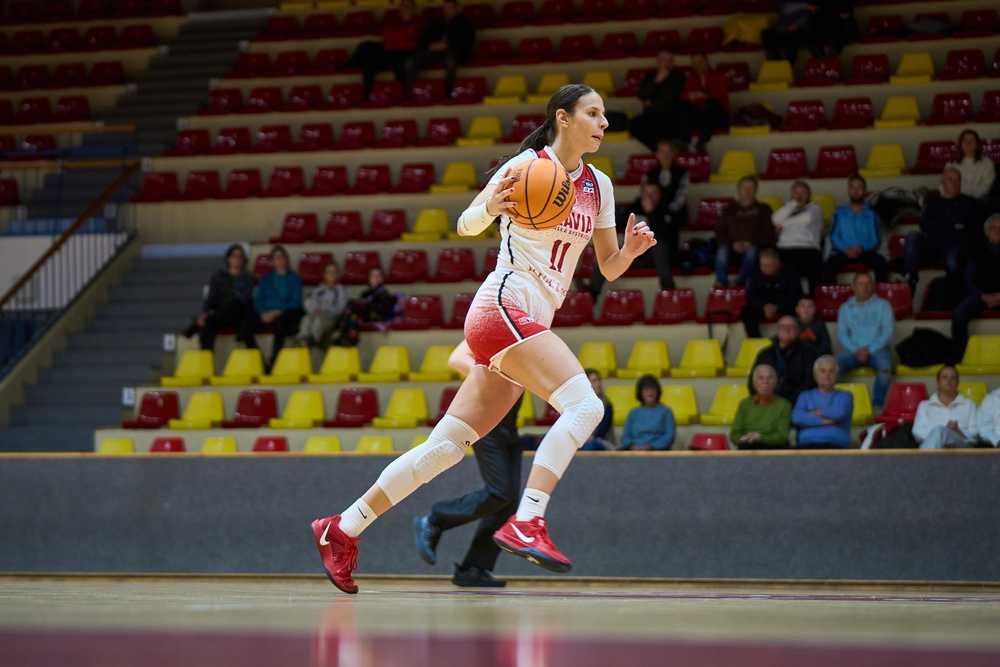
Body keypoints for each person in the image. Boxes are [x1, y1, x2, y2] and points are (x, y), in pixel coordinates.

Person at [310, 84, 657, 594]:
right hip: (503, 304)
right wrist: (491, 204)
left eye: (604, 115)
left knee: (445, 449)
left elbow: (606, 267)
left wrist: (628, 253)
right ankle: (528, 519)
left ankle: (341, 529)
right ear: (563, 118)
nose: (604, 122)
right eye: (593, 113)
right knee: (586, 406)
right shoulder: (525, 166)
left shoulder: (599, 185)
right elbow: (466, 224)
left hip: (529, 319)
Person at [412, 342, 522, 588]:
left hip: (508, 426)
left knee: (508, 503)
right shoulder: (498, 323)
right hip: (486, 422)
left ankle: (474, 568)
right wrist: (496, 378)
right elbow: (456, 358)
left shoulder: (533, 334)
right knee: (499, 493)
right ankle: (435, 520)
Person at [903, 166, 982, 294]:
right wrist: (954, 227)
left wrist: (948, 229)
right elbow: (925, 227)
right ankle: (910, 280)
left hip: (955, 249)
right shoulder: (932, 203)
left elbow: (972, 231)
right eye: (950, 179)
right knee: (913, 236)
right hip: (933, 248)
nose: (954, 183)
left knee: (955, 251)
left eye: (957, 180)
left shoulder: (970, 203)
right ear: (943, 183)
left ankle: (952, 292)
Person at [835, 271, 894, 409]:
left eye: (868, 283)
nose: (865, 287)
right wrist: (856, 350)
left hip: (878, 350)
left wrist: (869, 350)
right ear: (853, 286)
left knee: (885, 369)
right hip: (852, 351)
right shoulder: (845, 308)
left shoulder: (884, 305)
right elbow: (842, 334)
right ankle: (839, 404)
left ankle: (877, 407)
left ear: (873, 286)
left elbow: (887, 332)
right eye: (860, 283)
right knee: (833, 367)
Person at [186, 244, 257, 353]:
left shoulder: (249, 278)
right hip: (221, 315)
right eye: (234, 256)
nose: (237, 259)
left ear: (244, 260)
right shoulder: (219, 277)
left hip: (240, 314)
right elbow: (211, 298)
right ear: (228, 258)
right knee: (208, 324)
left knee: (234, 303)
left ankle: (195, 326)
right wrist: (204, 314)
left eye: (240, 256)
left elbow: (247, 299)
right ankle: (207, 359)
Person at [350, 0, 424, 99]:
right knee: (367, 56)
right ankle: (365, 96)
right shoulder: (392, 19)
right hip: (390, 51)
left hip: (406, 53)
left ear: (413, 8)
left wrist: (397, 36)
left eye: (408, 6)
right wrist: (400, 36)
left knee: (401, 65)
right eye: (403, 5)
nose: (405, 8)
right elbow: (386, 34)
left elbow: (412, 37)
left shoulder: (418, 20)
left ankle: (404, 95)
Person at [823, 174, 889, 283]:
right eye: (852, 187)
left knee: (881, 264)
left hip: (865, 251)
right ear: (848, 190)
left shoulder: (872, 213)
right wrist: (845, 249)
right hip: (844, 251)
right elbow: (834, 236)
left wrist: (861, 248)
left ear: (864, 190)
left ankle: (880, 294)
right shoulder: (839, 211)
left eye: (859, 187)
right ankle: (833, 294)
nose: (856, 190)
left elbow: (874, 239)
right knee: (829, 266)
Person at [715, 175, 776, 288]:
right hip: (731, 248)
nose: (747, 191)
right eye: (744, 187)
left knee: (752, 251)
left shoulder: (764, 209)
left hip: (754, 248)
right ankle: (721, 282)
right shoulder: (728, 209)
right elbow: (719, 232)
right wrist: (732, 244)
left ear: (755, 190)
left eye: (751, 188)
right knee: (721, 251)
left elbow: (769, 233)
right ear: (738, 190)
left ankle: (739, 282)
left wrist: (752, 242)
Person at [952, 214, 1000, 359]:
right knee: (959, 313)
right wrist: (982, 296)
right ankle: (959, 357)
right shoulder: (975, 251)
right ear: (987, 232)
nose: (997, 231)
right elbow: (968, 280)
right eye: (993, 228)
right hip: (981, 296)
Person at [643, 139, 689, 288]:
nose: (665, 155)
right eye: (662, 152)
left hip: (672, 224)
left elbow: (680, 198)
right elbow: (645, 198)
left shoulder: (681, 173)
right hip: (651, 232)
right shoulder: (650, 174)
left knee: (660, 242)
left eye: (668, 152)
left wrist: (664, 212)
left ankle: (667, 286)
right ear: (657, 154)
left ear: (674, 154)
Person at [404, 0, 475, 96]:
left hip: (454, 52)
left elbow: (466, 42)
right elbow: (424, 39)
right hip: (434, 52)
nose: (447, 11)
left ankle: (448, 93)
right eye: (445, 8)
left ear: (457, 9)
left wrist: (448, 45)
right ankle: (409, 93)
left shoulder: (465, 23)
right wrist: (430, 45)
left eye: (450, 8)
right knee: (410, 61)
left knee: (450, 61)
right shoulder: (437, 22)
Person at [254, 245, 303, 368]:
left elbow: (296, 302)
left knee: (282, 322)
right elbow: (259, 299)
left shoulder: (295, 278)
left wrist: (277, 311)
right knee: (246, 323)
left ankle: (274, 361)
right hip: (267, 314)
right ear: (272, 261)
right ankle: (259, 362)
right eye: (276, 258)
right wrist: (262, 313)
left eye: (282, 257)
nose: (280, 260)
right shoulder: (266, 279)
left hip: (287, 313)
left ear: (286, 259)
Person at [749, 315, 817, 403]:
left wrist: (789, 402)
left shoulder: (809, 353)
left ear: (798, 331)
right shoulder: (765, 354)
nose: (787, 329)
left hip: (799, 403)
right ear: (777, 330)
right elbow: (753, 382)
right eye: (783, 327)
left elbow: (811, 383)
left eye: (791, 327)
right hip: (768, 403)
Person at [772, 179, 823, 294]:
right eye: (796, 192)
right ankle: (796, 301)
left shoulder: (815, 208)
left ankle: (812, 300)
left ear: (809, 195)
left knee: (811, 267)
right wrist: (792, 205)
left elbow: (806, 219)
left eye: (803, 192)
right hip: (785, 248)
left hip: (808, 249)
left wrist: (783, 223)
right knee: (787, 270)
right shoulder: (786, 208)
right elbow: (775, 219)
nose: (799, 196)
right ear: (791, 194)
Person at [629, 50, 688, 150]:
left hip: (670, 114)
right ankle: (657, 149)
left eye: (668, 60)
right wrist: (657, 80)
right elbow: (641, 94)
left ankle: (673, 147)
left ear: (672, 62)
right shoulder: (650, 76)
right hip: (651, 114)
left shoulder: (678, 76)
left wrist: (651, 102)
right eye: (662, 59)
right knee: (634, 124)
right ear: (658, 61)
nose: (665, 62)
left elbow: (670, 97)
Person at [792, 356, 854, 449]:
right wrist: (825, 421)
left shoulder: (845, 396)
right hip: (807, 443)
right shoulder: (805, 396)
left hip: (837, 444)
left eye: (831, 371)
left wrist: (816, 413)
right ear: (815, 375)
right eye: (823, 371)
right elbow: (797, 417)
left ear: (837, 375)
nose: (827, 375)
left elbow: (839, 413)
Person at [741, 249, 802, 338]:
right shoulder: (755, 273)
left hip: (784, 305)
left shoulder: (790, 273)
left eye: (769, 265)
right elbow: (751, 296)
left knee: (798, 309)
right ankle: (756, 340)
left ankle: (791, 339)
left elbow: (795, 295)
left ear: (778, 263)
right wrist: (763, 306)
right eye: (763, 265)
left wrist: (777, 307)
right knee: (747, 312)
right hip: (763, 306)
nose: (765, 268)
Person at [913, 366, 979, 449]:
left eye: (953, 378)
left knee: (940, 431)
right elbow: (917, 433)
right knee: (939, 431)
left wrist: (958, 432)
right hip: (933, 447)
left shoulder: (969, 405)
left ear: (958, 382)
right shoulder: (924, 405)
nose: (949, 381)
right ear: (938, 382)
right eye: (944, 377)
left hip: (960, 447)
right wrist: (940, 436)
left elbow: (975, 435)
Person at [731, 364, 792, 449]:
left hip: (774, 449)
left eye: (769, 378)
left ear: (775, 382)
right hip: (748, 446)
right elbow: (734, 434)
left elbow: (782, 437)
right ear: (754, 382)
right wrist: (743, 438)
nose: (765, 381)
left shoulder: (784, 405)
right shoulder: (744, 404)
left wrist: (760, 437)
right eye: (761, 378)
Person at [680, 52, 729, 151]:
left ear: (706, 61)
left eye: (700, 62)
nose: (697, 65)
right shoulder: (691, 78)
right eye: (694, 63)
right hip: (700, 116)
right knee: (683, 106)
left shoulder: (718, 75)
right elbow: (683, 96)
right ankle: (684, 142)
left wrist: (703, 95)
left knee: (711, 103)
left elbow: (720, 93)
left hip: (717, 116)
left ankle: (702, 141)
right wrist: (691, 96)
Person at [297, 262, 348, 348]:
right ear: (324, 275)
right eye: (329, 272)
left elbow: (340, 308)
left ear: (337, 275)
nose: (331, 274)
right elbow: (310, 302)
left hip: (331, 317)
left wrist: (324, 310)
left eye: (334, 272)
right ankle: (303, 339)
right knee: (306, 319)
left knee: (318, 321)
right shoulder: (319, 289)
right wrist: (315, 309)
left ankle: (314, 341)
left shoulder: (340, 290)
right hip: (316, 314)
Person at [621, 375, 675, 451]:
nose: (650, 392)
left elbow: (669, 436)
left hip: (657, 451)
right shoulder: (633, 413)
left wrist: (651, 446)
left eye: (653, 389)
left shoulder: (666, 412)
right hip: (634, 450)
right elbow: (625, 436)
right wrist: (632, 446)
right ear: (640, 393)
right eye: (646, 389)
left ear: (658, 391)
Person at [947, 129, 996, 200]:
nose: (968, 143)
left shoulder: (987, 163)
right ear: (960, 144)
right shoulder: (951, 164)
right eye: (965, 140)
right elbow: (944, 187)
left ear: (977, 144)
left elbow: (985, 188)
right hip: (955, 201)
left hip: (978, 202)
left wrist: (959, 190)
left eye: (972, 140)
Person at [581, 368, 616, 451]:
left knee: (589, 446)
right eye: (594, 381)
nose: (598, 384)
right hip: (582, 440)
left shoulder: (607, 405)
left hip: (601, 441)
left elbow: (603, 430)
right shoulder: (579, 404)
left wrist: (589, 437)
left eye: (599, 380)